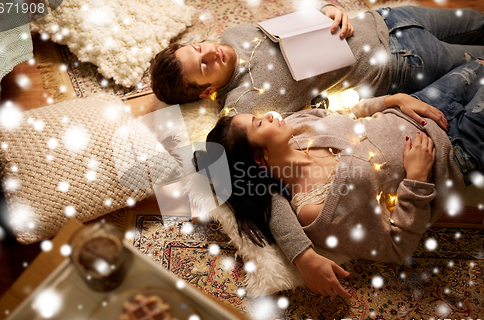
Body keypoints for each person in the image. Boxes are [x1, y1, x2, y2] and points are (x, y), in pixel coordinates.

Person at [192, 58, 484, 299]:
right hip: (457, 150)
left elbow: (351, 111)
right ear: (258, 158)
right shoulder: (315, 209)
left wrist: (393, 100)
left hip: (419, 106)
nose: (269, 115)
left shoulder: (296, 125)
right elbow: (398, 247)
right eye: (259, 123)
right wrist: (417, 179)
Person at [151, 5, 484, 116]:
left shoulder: (233, 34)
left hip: (386, 18)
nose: (211, 52)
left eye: (197, 48)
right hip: (401, 62)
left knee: (475, 20)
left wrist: (329, 9)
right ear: (206, 92)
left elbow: (297, 22)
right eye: (204, 66)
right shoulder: (245, 105)